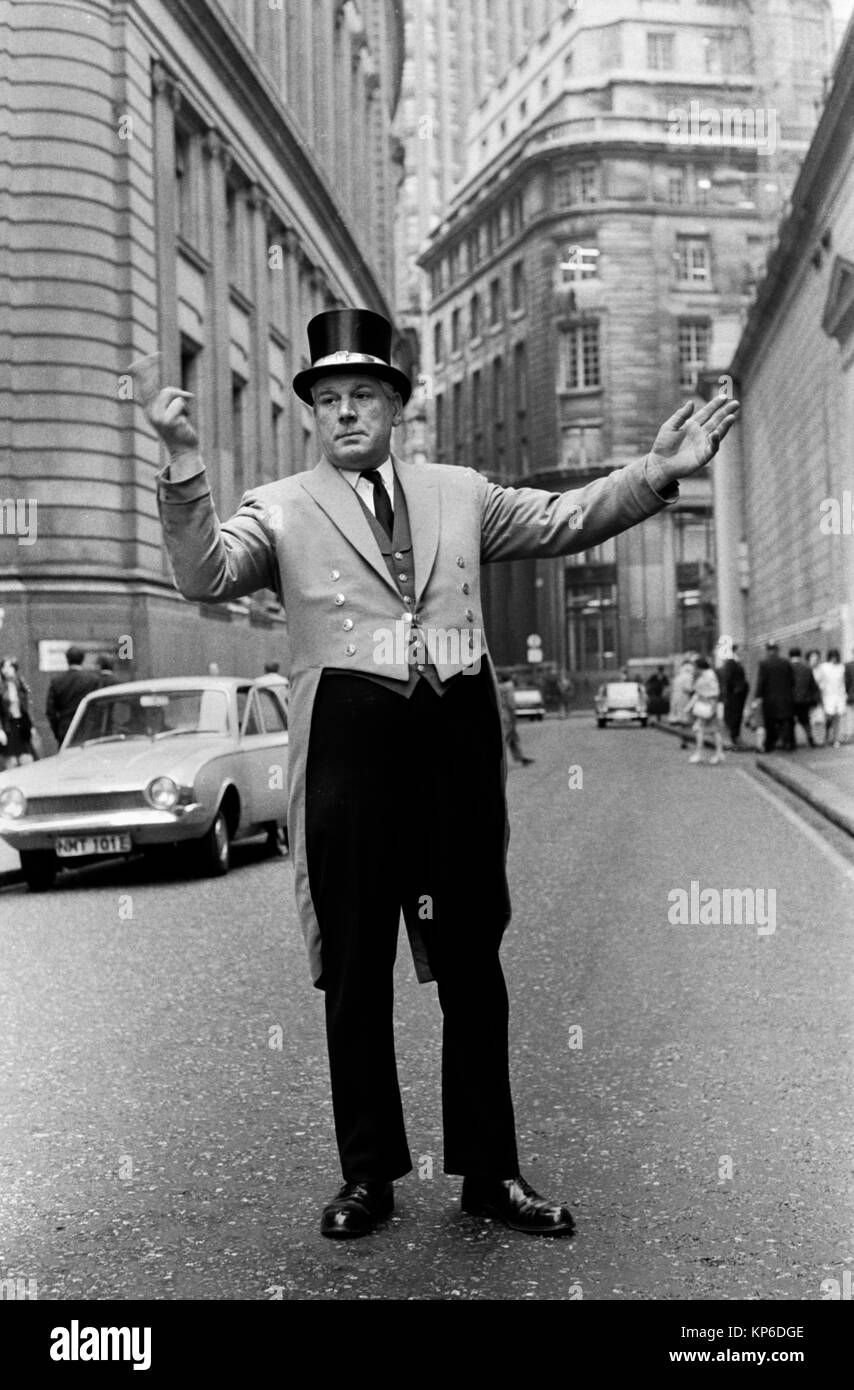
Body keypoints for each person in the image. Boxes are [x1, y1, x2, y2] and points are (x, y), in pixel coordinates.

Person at [133, 306, 739, 1241]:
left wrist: (656, 474)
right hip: (348, 753)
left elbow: (566, 516)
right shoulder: (282, 507)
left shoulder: (459, 491)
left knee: (474, 967)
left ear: (395, 405)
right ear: (313, 413)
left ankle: (491, 1175)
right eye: (327, 398)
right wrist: (181, 464)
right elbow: (206, 573)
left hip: (452, 744)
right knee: (357, 970)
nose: (344, 413)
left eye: (362, 395)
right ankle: (368, 1176)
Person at [45, 645, 103, 747]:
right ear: (83, 659)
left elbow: (50, 711)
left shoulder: (57, 681)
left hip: (65, 728)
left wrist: (57, 730)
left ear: (67, 659)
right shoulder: (93, 680)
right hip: (87, 728)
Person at [754, 641, 794, 752]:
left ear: (768, 650)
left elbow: (761, 681)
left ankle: (770, 745)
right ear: (777, 650)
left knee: (770, 723)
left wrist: (758, 696)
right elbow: (792, 680)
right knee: (785, 721)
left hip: (770, 699)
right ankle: (787, 743)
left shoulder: (764, 663)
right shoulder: (785, 662)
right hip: (785, 698)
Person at [688, 656, 725, 765]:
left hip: (708, 706)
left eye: (695, 666)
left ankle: (703, 753)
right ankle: (716, 753)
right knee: (712, 731)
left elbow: (714, 692)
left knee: (707, 730)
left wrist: (713, 708)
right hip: (705, 706)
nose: (694, 669)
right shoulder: (705, 674)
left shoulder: (709, 675)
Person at [0, 657, 35, 767]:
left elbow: (27, 707)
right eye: (4, 667)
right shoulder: (1, 686)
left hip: (21, 724)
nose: (6, 670)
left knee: (27, 759)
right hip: (8, 726)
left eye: (9, 666)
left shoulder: (20, 684)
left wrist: (31, 726)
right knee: (11, 761)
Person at [496, 671, 534, 766]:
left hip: (501, 713)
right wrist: (513, 715)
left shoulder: (498, 687)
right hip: (507, 714)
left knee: (512, 737)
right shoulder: (509, 687)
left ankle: (520, 757)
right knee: (506, 736)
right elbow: (510, 702)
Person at [718, 642, 749, 749]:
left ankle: (736, 736)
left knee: (737, 716)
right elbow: (728, 679)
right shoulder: (731, 662)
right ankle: (733, 737)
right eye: (741, 650)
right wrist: (732, 692)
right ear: (735, 650)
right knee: (734, 716)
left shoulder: (736, 662)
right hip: (734, 696)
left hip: (738, 695)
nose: (743, 652)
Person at [789, 647, 820, 748]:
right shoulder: (807, 668)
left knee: (790, 721)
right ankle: (810, 739)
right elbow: (813, 685)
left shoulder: (787, 667)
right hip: (804, 700)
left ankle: (791, 741)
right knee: (805, 721)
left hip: (790, 700)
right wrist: (814, 700)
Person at [815, 648, 847, 748]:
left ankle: (835, 739)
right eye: (832, 656)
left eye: (836, 656)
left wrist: (844, 695)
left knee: (837, 720)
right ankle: (826, 736)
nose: (834, 659)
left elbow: (843, 683)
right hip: (827, 696)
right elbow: (819, 681)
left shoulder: (841, 667)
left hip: (839, 696)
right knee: (828, 718)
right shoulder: (824, 667)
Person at [668, 656, 696, 749]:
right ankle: (685, 740)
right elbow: (688, 688)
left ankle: (683, 739)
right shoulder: (688, 676)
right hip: (685, 699)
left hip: (677, 699)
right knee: (686, 721)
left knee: (681, 720)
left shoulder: (678, 676)